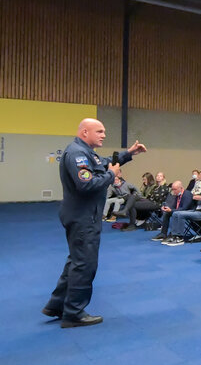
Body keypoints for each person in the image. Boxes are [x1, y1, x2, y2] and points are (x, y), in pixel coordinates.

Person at [43, 118, 146, 328]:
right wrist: (112, 175)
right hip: (83, 217)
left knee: (76, 260)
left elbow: (104, 162)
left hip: (82, 214)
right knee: (85, 264)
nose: (103, 135)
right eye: (99, 131)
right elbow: (87, 184)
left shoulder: (86, 153)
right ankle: (73, 313)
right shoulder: (77, 154)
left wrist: (128, 153)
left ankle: (57, 304)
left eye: (104, 131)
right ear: (84, 132)